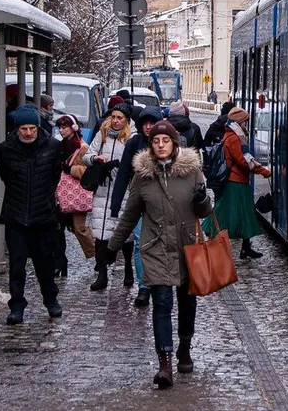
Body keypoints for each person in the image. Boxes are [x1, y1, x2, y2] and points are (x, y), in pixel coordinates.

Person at [106, 120, 212, 386]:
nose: (161, 145)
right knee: (162, 304)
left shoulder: (192, 172)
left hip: (187, 247)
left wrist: (203, 201)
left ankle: (184, 347)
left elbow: (206, 211)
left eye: (166, 141)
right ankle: (164, 363)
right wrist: (112, 247)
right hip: (156, 248)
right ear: (151, 145)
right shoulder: (142, 177)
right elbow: (130, 215)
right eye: (156, 141)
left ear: (175, 144)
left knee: (187, 303)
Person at [0, 104, 62, 325]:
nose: (28, 133)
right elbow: (6, 178)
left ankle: (51, 300)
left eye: (32, 128)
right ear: (17, 129)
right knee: (17, 265)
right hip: (16, 214)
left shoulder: (52, 147)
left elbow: (54, 177)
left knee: (45, 263)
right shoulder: (5, 150)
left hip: (43, 214)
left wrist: (46, 201)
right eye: (23, 128)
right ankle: (16, 305)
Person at [109, 106, 164, 307]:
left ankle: (162, 281)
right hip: (141, 203)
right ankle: (144, 286)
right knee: (141, 242)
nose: (148, 127)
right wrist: (115, 205)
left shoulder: (167, 142)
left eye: (152, 123)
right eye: (145, 123)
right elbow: (123, 173)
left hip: (165, 205)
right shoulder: (134, 143)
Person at [203, 107, 269, 259]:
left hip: (239, 181)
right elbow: (243, 161)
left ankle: (246, 247)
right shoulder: (233, 138)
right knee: (225, 212)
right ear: (240, 122)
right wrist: (262, 171)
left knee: (244, 214)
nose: (247, 124)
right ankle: (211, 236)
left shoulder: (234, 135)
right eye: (245, 121)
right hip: (235, 182)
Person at [84, 102, 133, 292]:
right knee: (100, 232)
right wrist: (96, 159)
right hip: (103, 189)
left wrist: (119, 165)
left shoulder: (131, 138)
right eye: (113, 117)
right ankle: (102, 274)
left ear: (126, 120)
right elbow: (87, 155)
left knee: (124, 233)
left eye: (119, 118)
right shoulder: (102, 134)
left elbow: (136, 163)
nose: (115, 121)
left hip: (123, 191)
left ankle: (128, 268)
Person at [53, 114, 91, 278]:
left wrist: (70, 170)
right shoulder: (59, 146)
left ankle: (101, 255)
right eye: (60, 127)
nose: (62, 130)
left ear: (73, 128)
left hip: (75, 195)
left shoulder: (83, 148)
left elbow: (88, 172)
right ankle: (59, 263)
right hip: (60, 194)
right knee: (57, 229)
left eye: (65, 127)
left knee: (79, 229)